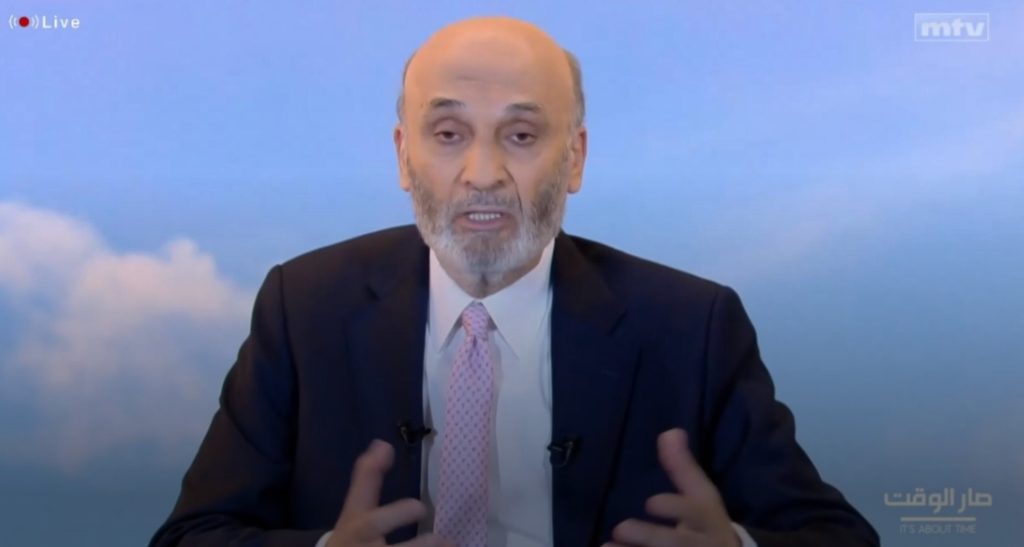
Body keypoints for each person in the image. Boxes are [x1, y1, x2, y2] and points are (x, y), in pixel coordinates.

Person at [150, 15, 879, 547]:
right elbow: (191, 535)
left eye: (522, 136)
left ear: (576, 159)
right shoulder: (303, 307)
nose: (483, 173)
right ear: (403, 156)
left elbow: (837, 536)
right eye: (448, 134)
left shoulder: (693, 326)